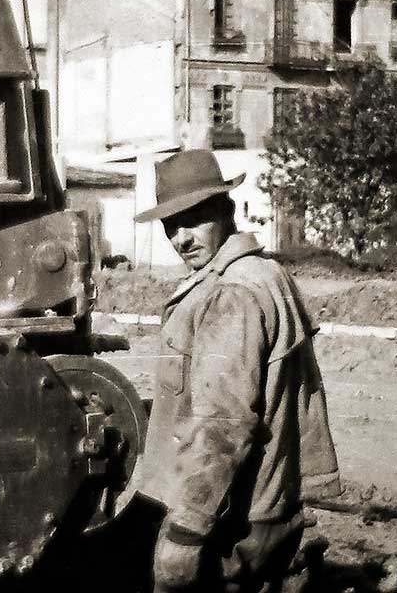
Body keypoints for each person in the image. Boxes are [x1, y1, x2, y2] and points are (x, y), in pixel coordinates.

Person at [131, 149, 341, 593]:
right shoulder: (266, 273)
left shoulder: (231, 294)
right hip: (269, 506)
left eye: (194, 219)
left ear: (226, 211)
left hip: (233, 521)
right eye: (171, 225)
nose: (181, 238)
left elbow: (223, 424)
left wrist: (186, 531)